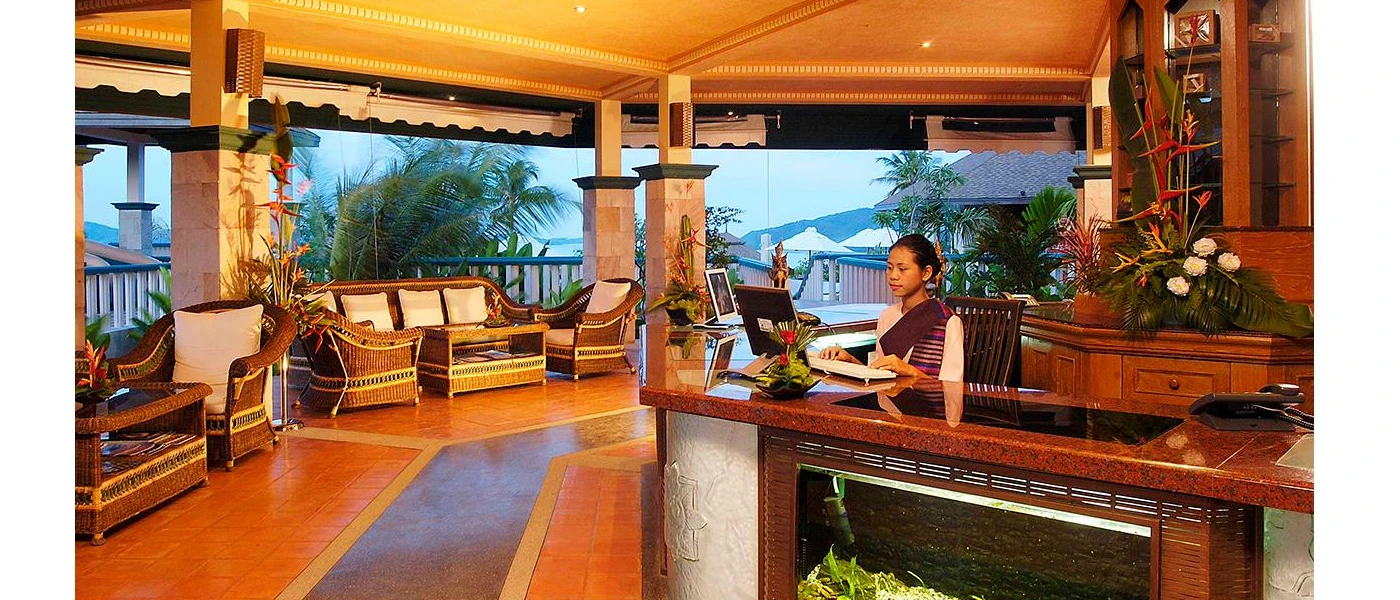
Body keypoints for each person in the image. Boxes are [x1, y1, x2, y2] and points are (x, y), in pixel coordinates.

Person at [818, 233, 964, 382]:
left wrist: (909, 371)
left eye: (902, 269)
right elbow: (878, 375)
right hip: (886, 403)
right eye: (889, 268)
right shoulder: (887, 316)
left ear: (926, 273)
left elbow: (952, 389)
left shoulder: (947, 322)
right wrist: (847, 359)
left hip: (927, 405)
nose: (893, 276)